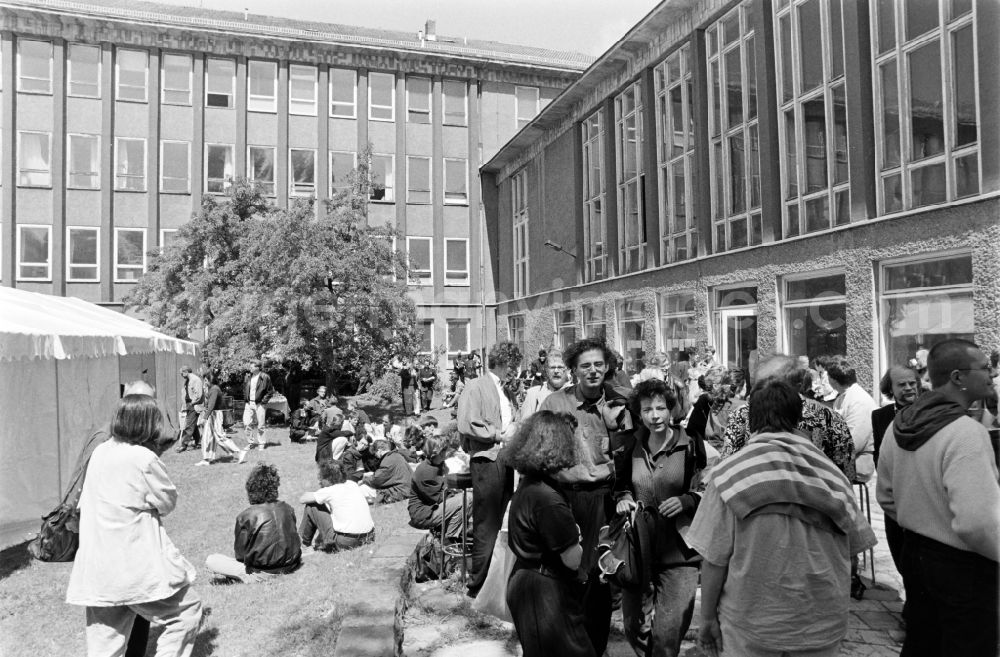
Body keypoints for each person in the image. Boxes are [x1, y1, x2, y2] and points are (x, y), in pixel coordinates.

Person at [688, 380, 876, 657]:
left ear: (751, 421)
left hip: (751, 627)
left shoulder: (729, 475)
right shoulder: (832, 476)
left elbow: (714, 560)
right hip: (821, 626)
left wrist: (706, 620)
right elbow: (852, 553)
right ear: (798, 418)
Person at [876, 339, 1000, 657]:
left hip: (915, 554)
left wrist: (920, 517)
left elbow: (886, 495)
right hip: (963, 567)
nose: (991, 374)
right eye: (984, 368)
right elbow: (977, 523)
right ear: (958, 377)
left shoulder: (899, 424)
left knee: (922, 643)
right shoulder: (965, 434)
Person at [66, 395, 203, 657]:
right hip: (132, 566)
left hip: (97, 567)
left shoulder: (101, 452)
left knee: (105, 645)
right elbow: (167, 502)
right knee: (186, 610)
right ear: (144, 424)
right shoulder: (142, 458)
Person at [539, 338, 632, 656]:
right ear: (573, 371)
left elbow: (631, 451)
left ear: (607, 367)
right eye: (585, 365)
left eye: (598, 364)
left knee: (599, 579)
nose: (592, 371)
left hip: (605, 500)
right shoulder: (555, 403)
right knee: (565, 575)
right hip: (564, 497)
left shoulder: (622, 403)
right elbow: (539, 454)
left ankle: (595, 647)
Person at [614, 379, 705, 657]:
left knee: (668, 632)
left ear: (671, 410)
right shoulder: (630, 445)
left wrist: (686, 500)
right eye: (647, 410)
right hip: (637, 549)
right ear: (638, 414)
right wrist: (623, 498)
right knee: (633, 627)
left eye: (661, 408)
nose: (655, 416)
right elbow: (619, 486)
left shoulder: (691, 444)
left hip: (679, 552)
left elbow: (707, 488)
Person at [505, 411, 593, 657]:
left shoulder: (530, 485)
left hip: (528, 582)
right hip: (545, 592)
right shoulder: (547, 499)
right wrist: (575, 536)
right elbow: (572, 559)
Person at [720, 354, 856, 481]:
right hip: (811, 499)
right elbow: (846, 474)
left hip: (756, 496)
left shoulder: (741, 414)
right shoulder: (829, 417)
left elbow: (727, 466)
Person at [457, 341, 521, 597]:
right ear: (504, 363)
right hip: (487, 460)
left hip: (504, 459)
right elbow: (466, 424)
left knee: (499, 520)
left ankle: (491, 580)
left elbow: (510, 420)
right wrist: (497, 435)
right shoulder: (476, 386)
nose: (514, 372)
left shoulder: (504, 389)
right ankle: (477, 584)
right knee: (486, 522)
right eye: (513, 366)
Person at [205, 464, 300, 582]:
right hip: (291, 566)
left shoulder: (246, 516)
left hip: (261, 573)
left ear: (251, 489)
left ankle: (243, 577)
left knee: (211, 560)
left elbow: (240, 556)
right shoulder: (288, 508)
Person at [407, 423, 470, 542]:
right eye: (446, 449)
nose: (450, 451)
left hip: (433, 507)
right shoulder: (425, 472)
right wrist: (455, 488)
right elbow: (440, 498)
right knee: (467, 499)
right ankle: (449, 538)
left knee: (467, 498)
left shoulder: (438, 464)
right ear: (438, 452)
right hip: (423, 515)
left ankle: (453, 534)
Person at [299, 460, 375, 552]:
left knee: (312, 505)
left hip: (347, 542)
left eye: (321, 478)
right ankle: (315, 541)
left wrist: (317, 493)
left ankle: (305, 544)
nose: (320, 481)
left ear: (327, 478)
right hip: (369, 537)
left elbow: (302, 499)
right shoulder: (352, 484)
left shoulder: (330, 490)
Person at [827, 356, 878, 483]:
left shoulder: (858, 400)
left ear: (832, 380)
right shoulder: (842, 398)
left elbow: (854, 443)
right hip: (843, 457)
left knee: (809, 471)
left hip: (858, 463)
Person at [195, 371, 248, 466]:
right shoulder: (211, 388)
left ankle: (239, 452)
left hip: (215, 414)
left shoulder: (215, 389)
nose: (205, 382)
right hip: (212, 414)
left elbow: (211, 405)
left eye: (206, 380)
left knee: (219, 437)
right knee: (207, 437)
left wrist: (204, 417)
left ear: (210, 380)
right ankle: (207, 459)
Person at [687, 366, 742, 451]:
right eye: (708, 387)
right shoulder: (705, 401)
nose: (709, 390)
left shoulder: (731, 403)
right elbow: (692, 430)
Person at [521, 349, 568, 419]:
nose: (556, 371)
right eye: (552, 367)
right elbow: (525, 425)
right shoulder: (533, 394)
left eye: (560, 367)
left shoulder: (575, 394)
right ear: (546, 371)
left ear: (567, 370)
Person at [363, 438, 413, 504]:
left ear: (379, 450)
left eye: (375, 453)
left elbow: (376, 480)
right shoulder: (396, 455)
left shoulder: (387, 460)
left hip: (401, 492)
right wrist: (372, 474)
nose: (376, 456)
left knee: (363, 488)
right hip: (408, 489)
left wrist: (364, 479)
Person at [243, 360, 274, 450]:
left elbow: (270, 391)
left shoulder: (265, 377)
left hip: (259, 403)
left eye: (252, 366)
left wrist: (263, 402)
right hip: (249, 403)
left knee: (261, 425)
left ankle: (261, 443)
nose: (250, 368)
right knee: (246, 423)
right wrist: (246, 399)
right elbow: (244, 388)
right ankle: (250, 443)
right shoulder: (248, 376)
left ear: (258, 367)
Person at [176, 366, 204, 452]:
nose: (181, 375)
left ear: (186, 372)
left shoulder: (195, 380)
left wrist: (192, 403)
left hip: (194, 405)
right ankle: (198, 442)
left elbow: (198, 394)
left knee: (188, 425)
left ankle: (183, 445)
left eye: (182, 373)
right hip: (189, 405)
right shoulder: (187, 381)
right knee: (193, 425)